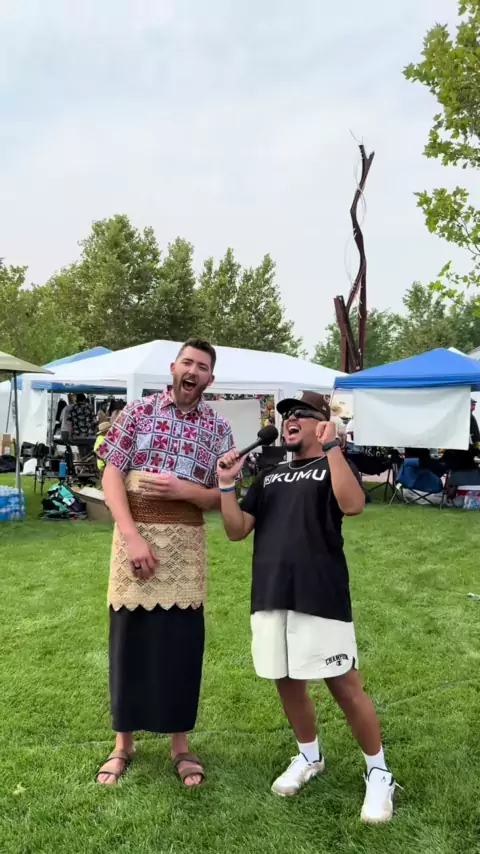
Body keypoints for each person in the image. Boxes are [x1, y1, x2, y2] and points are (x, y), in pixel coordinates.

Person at [217, 391, 397, 824]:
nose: (290, 420)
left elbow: (353, 505)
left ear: (322, 424)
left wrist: (334, 447)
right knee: (286, 680)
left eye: (301, 414)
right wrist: (226, 486)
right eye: (286, 416)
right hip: (270, 593)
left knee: (343, 684)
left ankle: (379, 772)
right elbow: (237, 530)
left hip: (320, 593)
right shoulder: (269, 475)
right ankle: (309, 756)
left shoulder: (334, 464)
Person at [95, 338, 235, 788]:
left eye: (203, 367)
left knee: (181, 644)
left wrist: (188, 492)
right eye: (187, 362)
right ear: (174, 367)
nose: (193, 371)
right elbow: (112, 474)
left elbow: (224, 497)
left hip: (186, 545)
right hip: (133, 537)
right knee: (128, 641)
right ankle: (123, 744)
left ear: (211, 378)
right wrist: (131, 536)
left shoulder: (219, 428)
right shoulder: (138, 412)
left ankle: (180, 745)